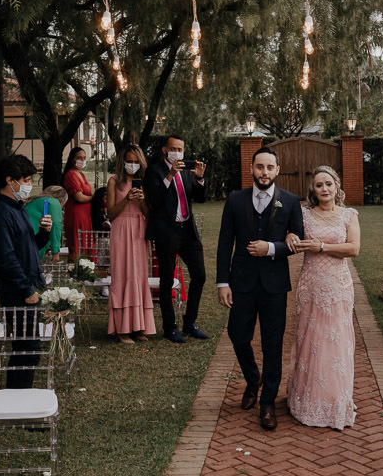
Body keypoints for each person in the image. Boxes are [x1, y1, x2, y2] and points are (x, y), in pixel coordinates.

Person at [216, 146, 304, 431]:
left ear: (277, 170)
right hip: (240, 282)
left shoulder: (290, 202)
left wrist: (271, 248)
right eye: (259, 167)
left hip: (274, 285)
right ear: (252, 169)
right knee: (238, 335)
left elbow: (297, 241)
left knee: (272, 343)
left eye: (269, 167)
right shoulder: (235, 200)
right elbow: (224, 242)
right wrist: (223, 282)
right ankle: (253, 379)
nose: (264, 172)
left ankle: (268, 403)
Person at [285, 166, 360, 430]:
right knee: (312, 339)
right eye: (319, 185)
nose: (324, 189)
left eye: (329, 184)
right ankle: (306, 398)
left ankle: (335, 399)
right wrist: (290, 235)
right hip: (312, 284)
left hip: (339, 286)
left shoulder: (349, 215)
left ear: (337, 187)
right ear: (313, 190)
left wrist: (321, 247)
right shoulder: (304, 214)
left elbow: (353, 249)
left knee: (336, 341)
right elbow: (289, 233)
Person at [0, 155, 52, 388]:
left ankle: (21, 394)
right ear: (9, 180)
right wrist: (25, 288)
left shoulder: (18, 208)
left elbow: (27, 247)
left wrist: (43, 234)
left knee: (29, 346)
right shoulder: (1, 214)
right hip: (18, 290)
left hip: (29, 283)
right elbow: (5, 258)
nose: (28, 185)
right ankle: (18, 395)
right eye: (25, 180)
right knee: (26, 348)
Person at [145, 135, 208, 343]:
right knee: (166, 280)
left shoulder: (188, 173)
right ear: (165, 150)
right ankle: (170, 328)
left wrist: (199, 178)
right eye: (173, 148)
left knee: (199, 275)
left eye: (180, 149)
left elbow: (199, 198)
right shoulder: (154, 171)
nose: (177, 152)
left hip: (187, 231)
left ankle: (190, 322)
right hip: (167, 231)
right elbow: (154, 200)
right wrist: (170, 175)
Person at [107, 144, 156, 344]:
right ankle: (122, 328)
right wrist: (127, 198)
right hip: (120, 229)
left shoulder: (144, 183)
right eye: (129, 161)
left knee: (138, 275)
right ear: (122, 161)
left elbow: (149, 214)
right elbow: (110, 213)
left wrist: (143, 200)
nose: (133, 165)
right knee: (121, 275)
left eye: (136, 162)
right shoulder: (114, 182)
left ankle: (138, 326)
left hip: (138, 229)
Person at [62, 147, 93, 262]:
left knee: (85, 244)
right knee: (78, 245)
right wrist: (94, 198)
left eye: (84, 158)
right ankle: (77, 272)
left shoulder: (80, 174)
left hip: (85, 216)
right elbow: (79, 197)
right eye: (79, 158)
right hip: (76, 215)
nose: (82, 160)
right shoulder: (71, 175)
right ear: (72, 159)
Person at [25, 186, 67, 262]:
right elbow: (56, 225)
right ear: (62, 201)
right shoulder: (54, 202)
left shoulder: (35, 201)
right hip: (34, 245)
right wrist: (55, 252)